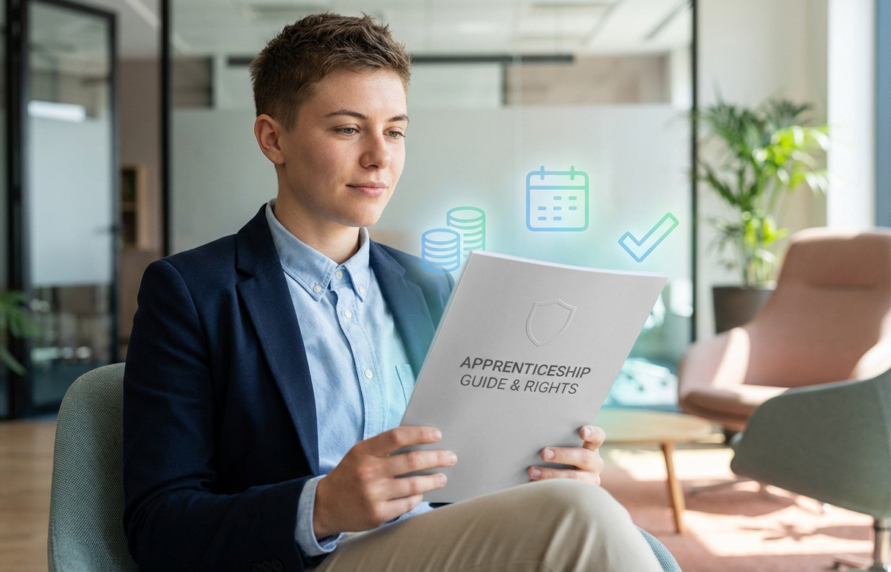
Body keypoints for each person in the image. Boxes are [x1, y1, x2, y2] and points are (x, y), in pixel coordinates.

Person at [122, 13, 665, 572]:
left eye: (396, 130)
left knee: (582, 505)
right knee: (584, 520)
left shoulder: (430, 286)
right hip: (309, 562)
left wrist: (545, 469)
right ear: (273, 138)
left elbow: (466, 474)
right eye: (348, 129)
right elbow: (158, 526)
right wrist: (322, 507)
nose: (380, 156)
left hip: (447, 544)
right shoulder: (190, 292)